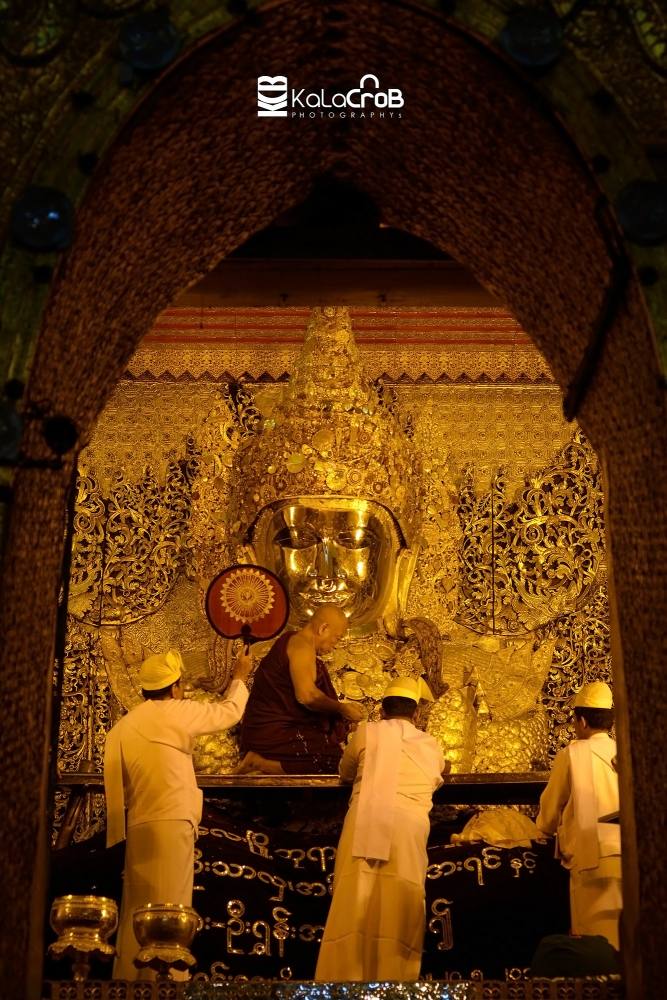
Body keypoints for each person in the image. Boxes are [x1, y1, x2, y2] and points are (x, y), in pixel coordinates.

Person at [104, 646, 252, 980]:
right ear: (174, 688)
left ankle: (129, 983)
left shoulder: (126, 725)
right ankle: (168, 982)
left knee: (137, 908)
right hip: (171, 821)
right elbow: (228, 712)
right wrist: (240, 676)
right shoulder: (176, 711)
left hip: (140, 823)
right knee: (172, 905)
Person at [315, 675, 446, 982]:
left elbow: (345, 772)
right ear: (415, 715)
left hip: (364, 821)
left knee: (354, 900)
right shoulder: (430, 744)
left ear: (382, 711)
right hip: (409, 829)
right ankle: (395, 983)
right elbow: (439, 773)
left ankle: (344, 983)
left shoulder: (365, 733)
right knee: (399, 904)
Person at [536, 680, 622, 949]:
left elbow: (551, 807)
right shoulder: (626, 752)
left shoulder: (572, 754)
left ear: (581, 721)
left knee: (596, 943)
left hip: (592, 858)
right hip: (631, 857)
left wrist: (543, 829)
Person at [237, 604, 364, 774]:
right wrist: (342, 708)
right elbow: (307, 696)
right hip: (272, 732)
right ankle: (259, 763)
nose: (336, 645)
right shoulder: (301, 646)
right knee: (331, 760)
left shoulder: (300, 645)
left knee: (334, 752)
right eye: (337, 638)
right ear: (323, 628)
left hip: (280, 729)